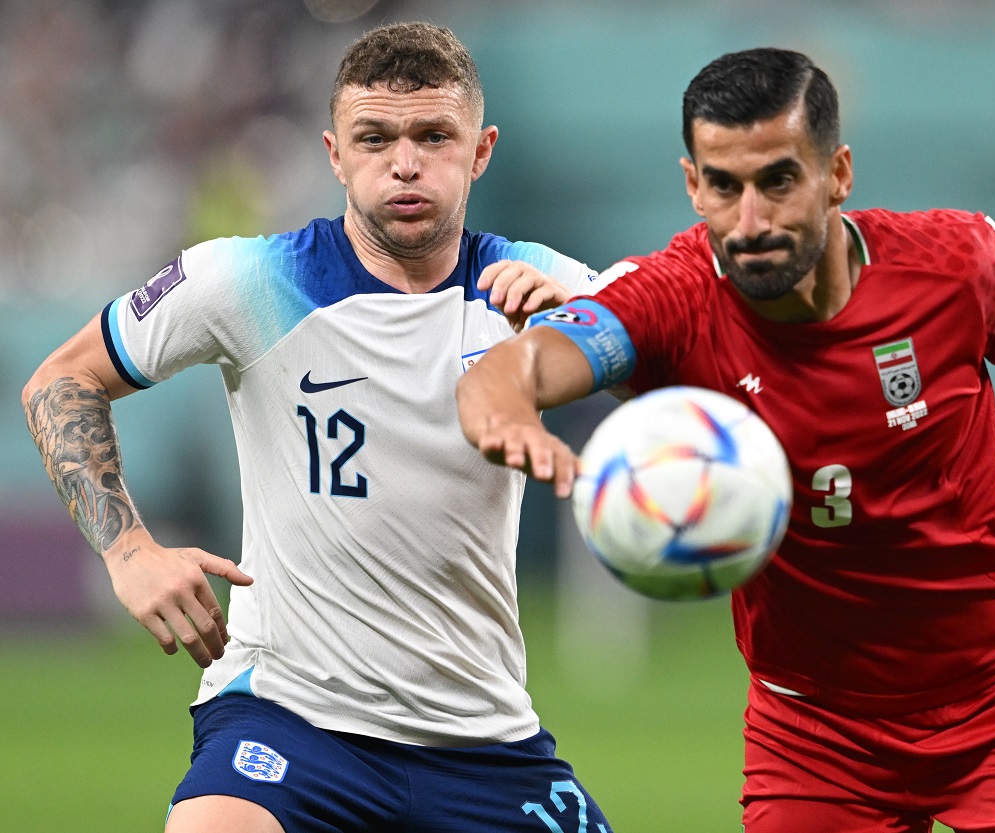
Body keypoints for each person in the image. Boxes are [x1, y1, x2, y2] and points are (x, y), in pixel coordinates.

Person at [456, 47, 995, 832]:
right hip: (817, 733)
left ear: (838, 174)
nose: (751, 220)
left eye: (778, 181)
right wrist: (514, 414)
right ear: (693, 184)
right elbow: (511, 367)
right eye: (724, 187)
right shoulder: (671, 296)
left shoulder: (954, 265)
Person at [23, 22, 613, 833]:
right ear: (335, 154)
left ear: (481, 151)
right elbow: (61, 378)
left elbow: (689, 370)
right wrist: (128, 551)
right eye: (376, 138)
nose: (404, 162)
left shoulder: (541, 284)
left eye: (434, 136)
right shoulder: (249, 279)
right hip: (290, 719)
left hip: (485, 738)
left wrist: (589, 335)